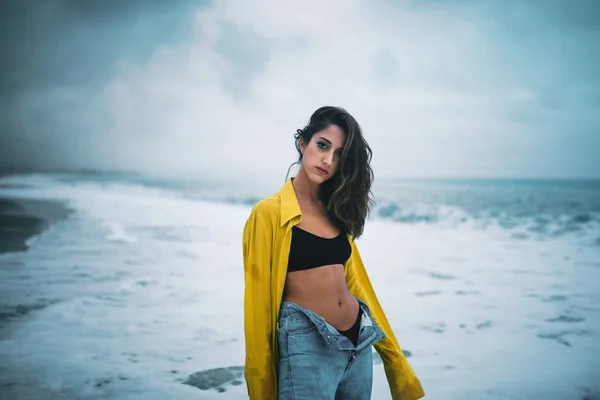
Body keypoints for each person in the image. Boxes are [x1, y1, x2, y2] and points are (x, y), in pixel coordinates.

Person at [242, 106, 424, 399]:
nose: (328, 160)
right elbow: (257, 305)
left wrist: (395, 361)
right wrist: (261, 388)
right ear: (304, 142)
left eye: (339, 154)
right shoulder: (268, 214)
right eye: (322, 145)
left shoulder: (337, 213)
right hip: (306, 346)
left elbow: (360, 288)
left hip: (359, 345)